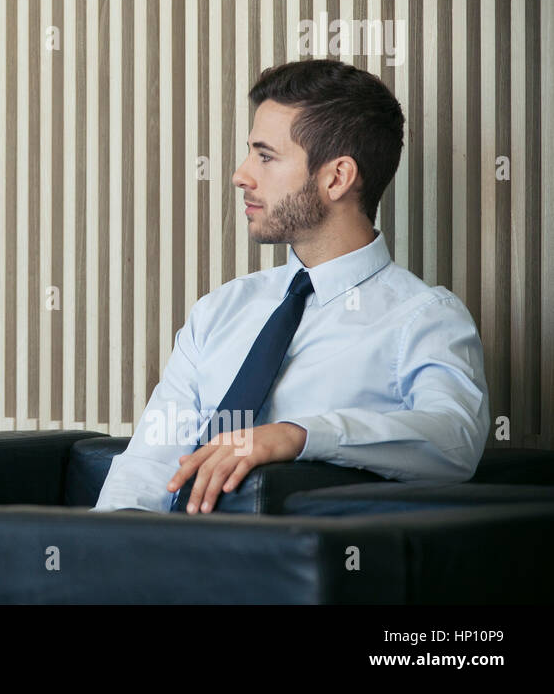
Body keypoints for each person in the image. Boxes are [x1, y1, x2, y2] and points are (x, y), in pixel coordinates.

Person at [93, 58, 489, 514]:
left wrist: (297, 435)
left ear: (336, 177)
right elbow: (149, 463)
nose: (241, 175)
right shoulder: (220, 311)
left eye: (265, 156)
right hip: (168, 565)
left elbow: (454, 438)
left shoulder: (423, 317)